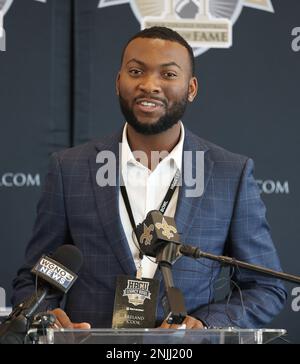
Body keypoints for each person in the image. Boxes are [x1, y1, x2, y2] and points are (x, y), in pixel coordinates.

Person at [12, 27, 286, 330]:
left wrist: (206, 325)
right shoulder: (70, 168)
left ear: (191, 88)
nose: (149, 85)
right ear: (118, 83)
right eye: (135, 71)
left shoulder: (229, 174)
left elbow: (265, 287)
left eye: (168, 75)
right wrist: (47, 318)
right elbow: (36, 279)